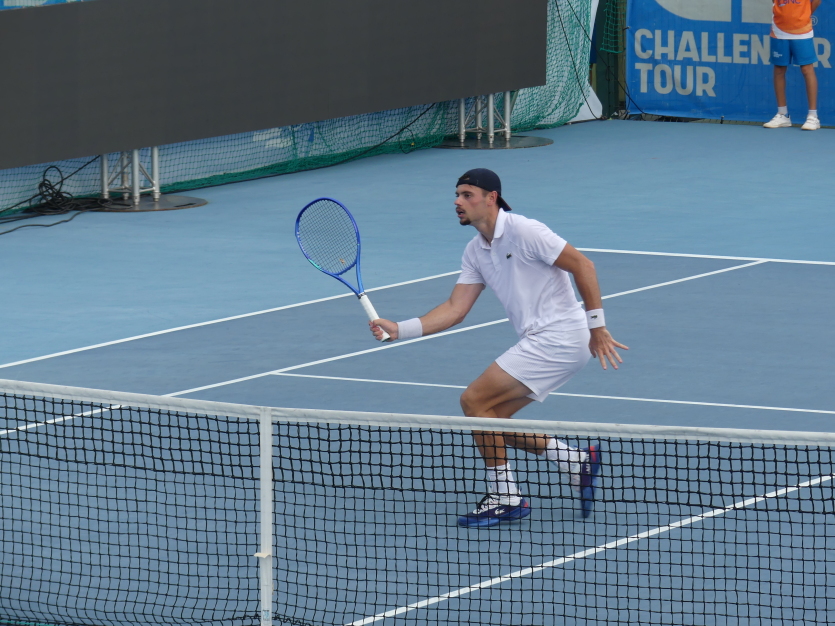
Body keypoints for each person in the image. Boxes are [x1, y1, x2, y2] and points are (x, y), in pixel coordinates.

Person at [368, 169, 627, 527]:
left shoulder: (525, 231)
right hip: (546, 341)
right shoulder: (475, 251)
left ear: (491, 198)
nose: (458, 201)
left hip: (560, 337)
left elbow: (583, 265)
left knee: (473, 401)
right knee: (490, 419)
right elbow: (455, 309)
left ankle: (506, 497)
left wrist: (597, 327)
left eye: (467, 194)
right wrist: (401, 329)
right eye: (457, 195)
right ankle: (575, 462)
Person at [763, 0, 822, 130]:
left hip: (803, 30)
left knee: (807, 69)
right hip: (778, 29)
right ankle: (782, 114)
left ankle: (813, 117)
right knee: (779, 69)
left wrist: (804, 14)